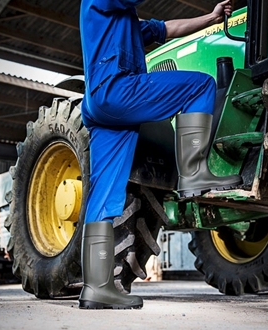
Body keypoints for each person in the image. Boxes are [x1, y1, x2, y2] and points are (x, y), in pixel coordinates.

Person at [78, 0, 242, 309]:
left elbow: (169, 28)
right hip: (118, 90)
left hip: (101, 105)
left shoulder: (124, 22)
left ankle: (96, 287)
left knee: (103, 194)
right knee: (199, 86)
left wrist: (211, 17)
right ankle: (193, 171)